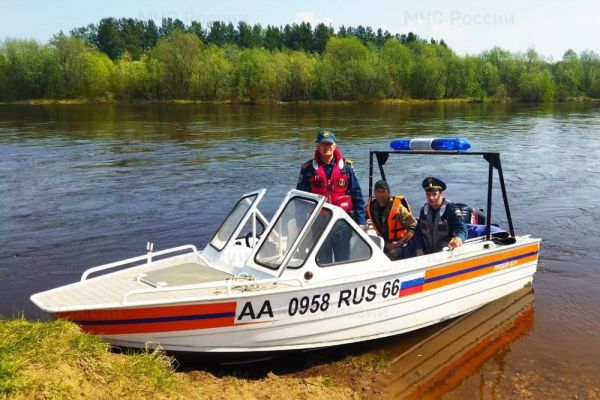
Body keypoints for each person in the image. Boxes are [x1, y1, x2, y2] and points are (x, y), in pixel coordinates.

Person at [296, 130, 366, 263]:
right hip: (318, 222)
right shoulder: (308, 168)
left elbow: (357, 196)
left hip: (342, 221)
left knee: (343, 259)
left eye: (329, 144)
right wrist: (300, 223)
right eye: (323, 144)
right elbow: (300, 198)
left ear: (335, 146)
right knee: (322, 260)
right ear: (317, 146)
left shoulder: (347, 167)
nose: (326, 147)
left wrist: (361, 222)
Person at [414, 177, 468, 256]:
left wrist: (459, 238)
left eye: (434, 194)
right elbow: (418, 231)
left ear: (441, 194)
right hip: (427, 253)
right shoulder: (424, 210)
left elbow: (462, 228)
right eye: (428, 194)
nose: (431, 198)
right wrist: (419, 248)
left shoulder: (450, 209)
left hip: (445, 254)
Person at [366, 180, 417, 260]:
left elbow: (413, 227)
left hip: (401, 244)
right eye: (377, 191)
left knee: (391, 255)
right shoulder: (371, 206)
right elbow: (363, 219)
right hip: (384, 243)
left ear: (388, 192)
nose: (380, 194)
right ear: (374, 193)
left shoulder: (398, 208)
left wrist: (399, 243)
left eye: (383, 191)